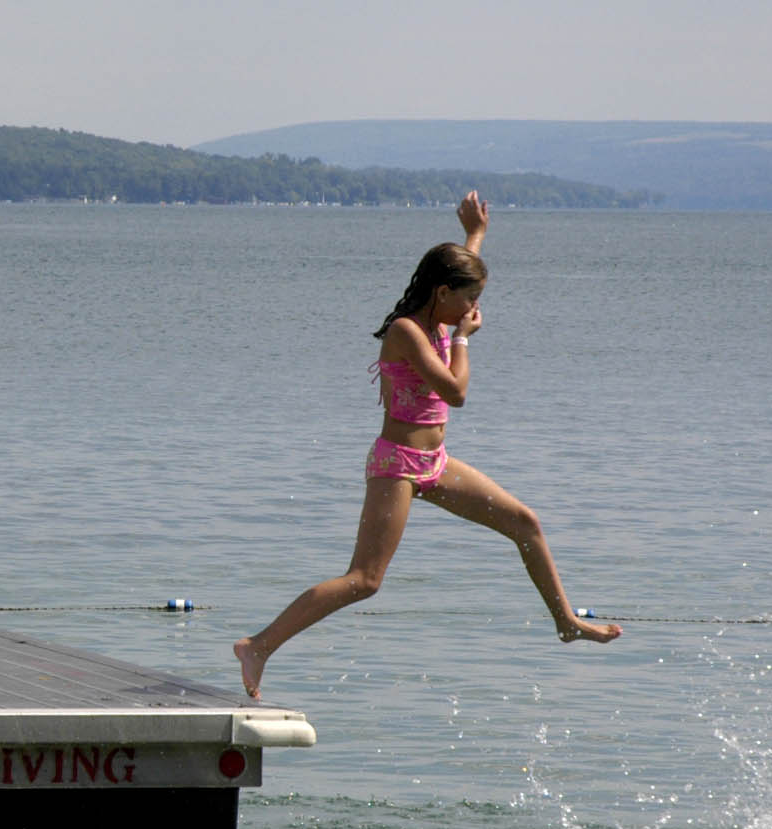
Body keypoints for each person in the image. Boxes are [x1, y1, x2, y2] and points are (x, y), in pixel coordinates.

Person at [233, 192, 620, 699]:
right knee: (365, 579)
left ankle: (566, 621)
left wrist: (475, 233)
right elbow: (455, 393)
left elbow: (460, 276)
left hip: (434, 462)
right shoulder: (408, 332)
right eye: (468, 300)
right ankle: (258, 646)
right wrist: (462, 339)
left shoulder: (438, 310)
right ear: (441, 293)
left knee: (526, 522)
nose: (473, 310)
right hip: (397, 466)